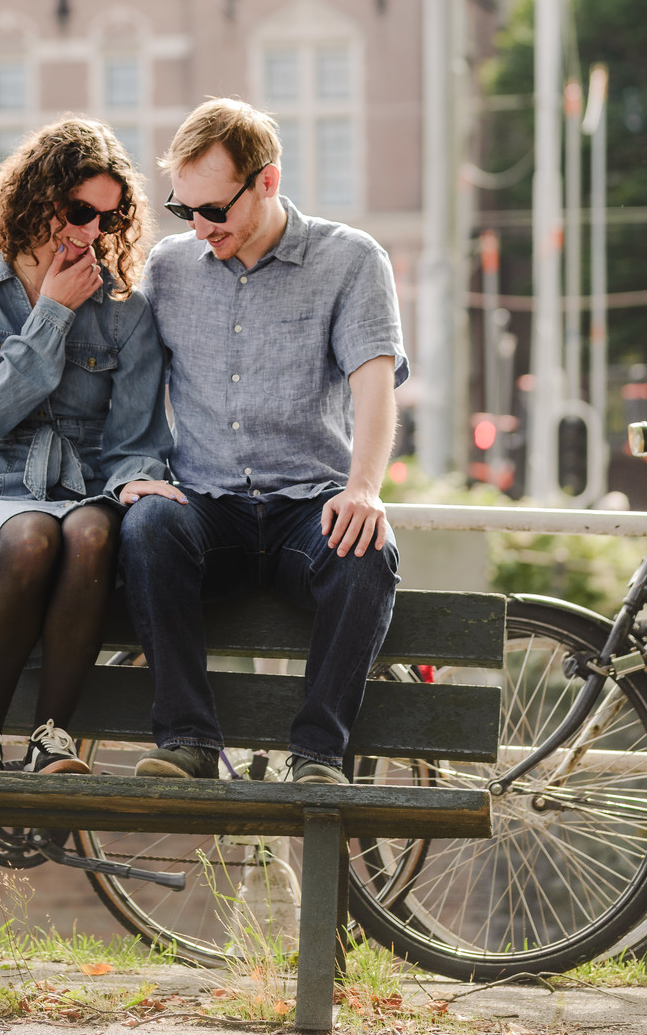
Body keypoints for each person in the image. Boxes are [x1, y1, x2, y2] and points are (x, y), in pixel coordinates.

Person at [118, 98, 405, 786]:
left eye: (214, 210)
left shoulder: (352, 260)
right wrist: (130, 467)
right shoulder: (169, 268)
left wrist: (363, 489)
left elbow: (376, 387)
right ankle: (185, 742)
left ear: (267, 182)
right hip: (208, 506)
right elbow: (123, 380)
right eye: (184, 210)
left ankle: (316, 756)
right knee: (148, 524)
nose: (200, 227)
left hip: (310, 506)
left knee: (369, 553)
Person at [0, 118, 181, 777]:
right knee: (35, 534)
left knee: (93, 531)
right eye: (78, 211)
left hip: (87, 491)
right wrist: (54, 316)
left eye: (109, 216)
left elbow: (132, 442)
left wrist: (138, 478)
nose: (91, 231)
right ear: (38, 196)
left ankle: (54, 739)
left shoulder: (126, 311)